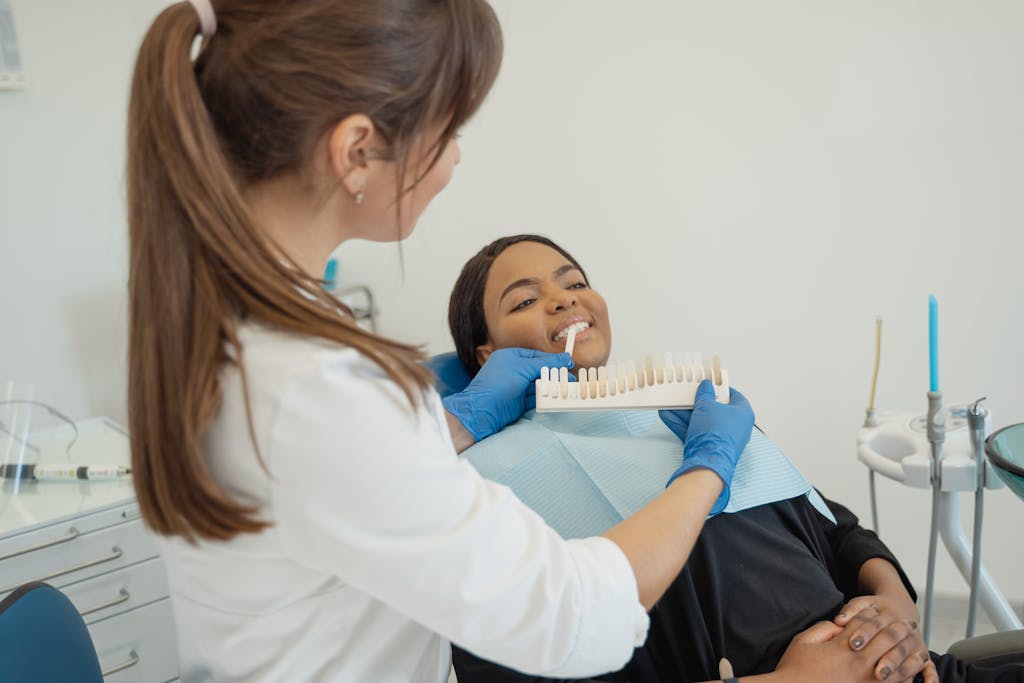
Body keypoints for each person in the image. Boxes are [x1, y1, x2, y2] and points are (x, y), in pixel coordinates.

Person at [120, 2, 813, 682]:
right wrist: (709, 467)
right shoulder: (317, 388)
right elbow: (572, 617)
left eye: (571, 280)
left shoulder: (238, 336)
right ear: (358, 150)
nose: (453, 158)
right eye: (448, 129)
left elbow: (348, 486)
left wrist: (447, 423)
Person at [444, 234, 1024, 683]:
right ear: (486, 351)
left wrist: (895, 611)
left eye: (573, 281)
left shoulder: (692, 410)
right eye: (525, 298)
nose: (562, 298)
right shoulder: (474, 488)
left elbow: (833, 527)